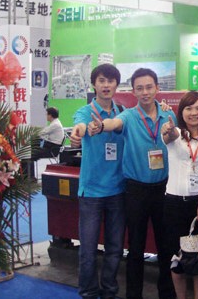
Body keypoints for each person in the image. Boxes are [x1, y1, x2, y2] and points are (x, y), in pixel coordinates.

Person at [88, 68, 177, 299]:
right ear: (133, 91)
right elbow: (114, 123)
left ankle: (167, 294)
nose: (145, 92)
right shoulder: (128, 116)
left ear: (157, 88)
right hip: (136, 191)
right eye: (140, 88)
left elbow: (175, 139)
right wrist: (101, 125)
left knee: (166, 247)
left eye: (149, 87)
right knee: (136, 248)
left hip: (164, 189)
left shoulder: (169, 115)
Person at [69, 64, 126, 299]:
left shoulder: (123, 113)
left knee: (115, 248)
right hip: (91, 192)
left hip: (118, 190)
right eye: (101, 80)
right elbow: (80, 126)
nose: (106, 85)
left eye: (110, 81)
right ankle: (89, 292)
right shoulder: (85, 111)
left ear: (116, 85)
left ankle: (110, 290)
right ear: (94, 84)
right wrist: (80, 132)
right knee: (88, 249)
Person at [160, 91, 198, 299]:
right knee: (177, 257)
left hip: (197, 203)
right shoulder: (175, 133)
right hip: (173, 203)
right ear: (181, 112)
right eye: (189, 108)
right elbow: (169, 136)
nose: (194, 113)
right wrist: (168, 130)